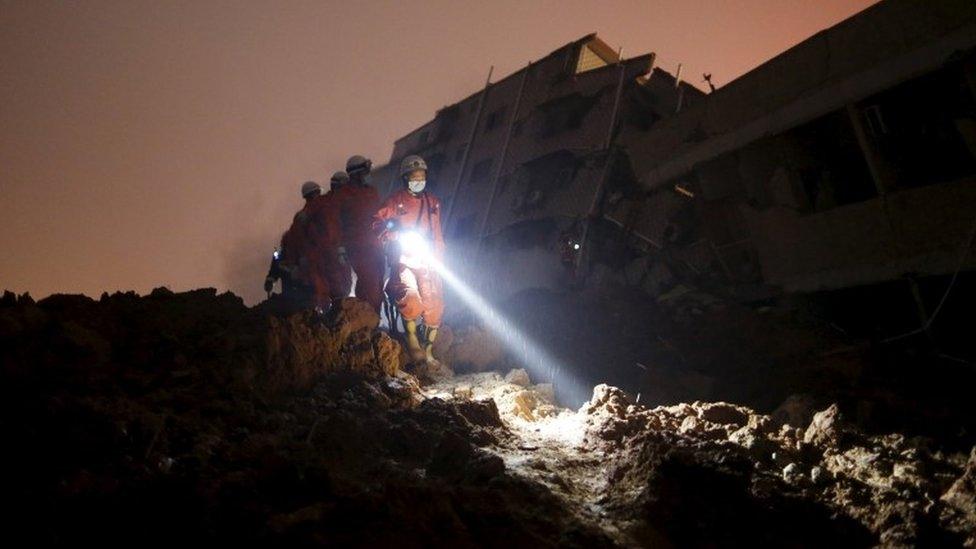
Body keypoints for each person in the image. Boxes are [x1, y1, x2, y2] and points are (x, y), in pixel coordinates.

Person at [373, 155, 445, 363]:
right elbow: (376, 221)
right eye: (414, 177)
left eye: (422, 176)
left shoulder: (433, 203)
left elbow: (438, 233)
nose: (418, 180)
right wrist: (390, 233)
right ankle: (412, 339)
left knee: (436, 303)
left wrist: (439, 258)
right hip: (404, 257)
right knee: (411, 299)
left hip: (426, 257)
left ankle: (428, 350)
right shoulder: (395, 201)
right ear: (405, 179)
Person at [335, 155, 385, 312]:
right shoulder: (343, 196)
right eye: (366, 171)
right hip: (358, 247)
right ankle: (371, 320)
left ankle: (363, 319)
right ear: (356, 173)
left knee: (375, 283)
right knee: (371, 286)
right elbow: (335, 223)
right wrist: (340, 247)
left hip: (376, 245)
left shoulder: (372, 192)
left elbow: (381, 213)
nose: (368, 174)